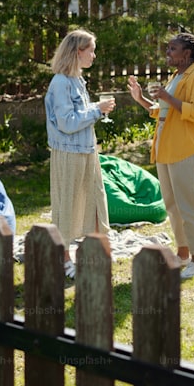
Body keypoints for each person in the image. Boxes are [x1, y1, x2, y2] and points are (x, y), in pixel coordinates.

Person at [128, 33, 194, 280]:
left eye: (172, 49)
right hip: (167, 150)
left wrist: (167, 97)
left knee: (189, 206)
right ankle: (183, 255)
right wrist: (142, 100)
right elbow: (164, 111)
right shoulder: (177, 76)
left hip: (189, 150)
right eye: (168, 48)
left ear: (186, 53)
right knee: (173, 206)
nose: (168, 53)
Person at [45, 29, 116, 278]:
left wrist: (97, 108)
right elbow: (67, 123)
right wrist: (97, 111)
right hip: (69, 153)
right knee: (68, 204)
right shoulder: (61, 83)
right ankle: (64, 259)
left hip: (87, 150)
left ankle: (95, 252)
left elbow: (79, 116)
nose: (94, 56)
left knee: (95, 201)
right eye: (91, 50)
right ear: (78, 52)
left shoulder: (77, 80)